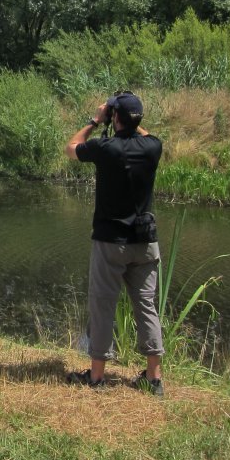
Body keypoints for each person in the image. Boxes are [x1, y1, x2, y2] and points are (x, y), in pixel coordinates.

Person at [64, 91, 165, 396]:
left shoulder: (105, 148)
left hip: (110, 242)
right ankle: (154, 379)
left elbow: (72, 148)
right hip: (145, 242)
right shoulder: (152, 148)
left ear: (115, 119)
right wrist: (129, 119)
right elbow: (145, 134)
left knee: (103, 304)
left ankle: (96, 378)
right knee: (146, 305)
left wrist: (96, 119)